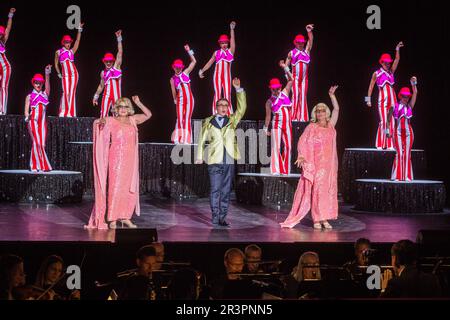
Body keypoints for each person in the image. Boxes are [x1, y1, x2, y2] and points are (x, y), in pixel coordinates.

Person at [85, 96, 152, 229]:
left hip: (131, 159)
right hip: (115, 158)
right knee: (115, 187)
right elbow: (97, 123)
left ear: (129, 109)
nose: (123, 109)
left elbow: (148, 114)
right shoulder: (111, 120)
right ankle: (113, 218)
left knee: (128, 188)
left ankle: (126, 217)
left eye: (126, 106)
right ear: (116, 109)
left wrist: (138, 102)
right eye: (120, 107)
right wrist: (100, 122)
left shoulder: (133, 120)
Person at [280, 86, 340, 229]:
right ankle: (317, 219)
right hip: (316, 165)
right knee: (317, 191)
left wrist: (332, 96)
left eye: (323, 110)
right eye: (318, 111)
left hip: (329, 166)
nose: (320, 113)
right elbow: (302, 142)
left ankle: (325, 218)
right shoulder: (311, 127)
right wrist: (301, 156)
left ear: (327, 113)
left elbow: (337, 110)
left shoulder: (331, 125)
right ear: (315, 113)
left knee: (327, 191)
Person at [196, 78, 246, 227]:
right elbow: (201, 140)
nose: (223, 107)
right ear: (216, 107)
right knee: (215, 190)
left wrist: (238, 90)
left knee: (225, 191)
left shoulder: (232, 119)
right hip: (214, 159)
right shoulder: (208, 121)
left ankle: (222, 218)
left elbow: (242, 108)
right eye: (221, 105)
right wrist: (199, 156)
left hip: (229, 158)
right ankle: (215, 217)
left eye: (226, 105)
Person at [366, 42, 404, 150]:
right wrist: (367, 100)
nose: (388, 64)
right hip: (382, 100)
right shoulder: (376, 73)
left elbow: (397, 60)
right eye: (386, 63)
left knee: (391, 121)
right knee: (384, 121)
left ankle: (390, 144)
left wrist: (397, 49)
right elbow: (370, 87)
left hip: (393, 100)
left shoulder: (391, 72)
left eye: (389, 63)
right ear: (382, 62)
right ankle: (381, 143)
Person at [199, 21, 236, 115]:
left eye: (225, 43)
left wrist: (232, 29)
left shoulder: (230, 52)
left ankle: (229, 113)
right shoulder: (216, 53)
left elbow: (233, 42)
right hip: (217, 76)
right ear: (219, 44)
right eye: (222, 43)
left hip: (227, 76)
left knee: (227, 94)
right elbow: (209, 63)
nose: (224, 44)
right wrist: (202, 70)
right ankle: (215, 112)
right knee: (218, 93)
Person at [264, 61, 294, 175]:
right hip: (276, 124)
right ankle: (275, 169)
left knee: (288, 146)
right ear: (270, 89)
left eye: (277, 88)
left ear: (280, 87)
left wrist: (285, 67)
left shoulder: (285, 92)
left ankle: (285, 169)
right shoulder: (269, 102)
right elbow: (268, 116)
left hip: (287, 124)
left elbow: (291, 80)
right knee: (275, 146)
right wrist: (265, 129)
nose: (276, 91)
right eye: (273, 89)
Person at [387, 77, 418, 181]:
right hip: (398, 132)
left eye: (407, 96)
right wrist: (387, 131)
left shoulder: (410, 106)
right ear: (400, 96)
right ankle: (397, 176)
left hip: (409, 133)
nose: (406, 98)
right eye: (404, 96)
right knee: (399, 153)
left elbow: (415, 93)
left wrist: (413, 83)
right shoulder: (394, 106)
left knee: (407, 154)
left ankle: (407, 176)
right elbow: (388, 118)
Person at [24, 66, 53, 172]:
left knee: (42, 144)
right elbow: (26, 111)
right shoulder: (29, 96)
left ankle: (40, 165)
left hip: (42, 124)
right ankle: (35, 165)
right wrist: (28, 117)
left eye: (40, 83)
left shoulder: (45, 95)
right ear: (33, 83)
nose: (38, 85)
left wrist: (47, 74)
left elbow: (48, 87)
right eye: (36, 82)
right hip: (33, 122)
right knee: (37, 143)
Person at [285, 24, 314, 122]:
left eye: (302, 42)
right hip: (295, 78)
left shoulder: (306, 51)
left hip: (304, 79)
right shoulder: (292, 52)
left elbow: (311, 42)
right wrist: (288, 76)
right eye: (299, 42)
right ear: (295, 43)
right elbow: (286, 65)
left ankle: (302, 118)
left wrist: (309, 32)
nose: (300, 44)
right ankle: (293, 117)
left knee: (303, 96)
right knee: (296, 95)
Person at [54, 22, 83, 117]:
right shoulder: (58, 52)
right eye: (67, 42)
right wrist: (58, 73)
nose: (68, 44)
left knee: (72, 93)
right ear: (63, 42)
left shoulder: (71, 51)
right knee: (66, 92)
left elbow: (77, 42)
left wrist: (79, 30)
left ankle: (71, 113)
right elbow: (56, 63)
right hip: (65, 75)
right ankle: (63, 112)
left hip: (74, 74)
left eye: (69, 42)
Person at [93, 30, 123, 118]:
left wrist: (119, 38)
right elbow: (101, 86)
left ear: (113, 61)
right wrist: (96, 96)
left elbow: (120, 52)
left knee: (117, 117)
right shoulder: (103, 73)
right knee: (103, 116)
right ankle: (102, 132)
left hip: (117, 97)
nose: (108, 63)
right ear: (104, 62)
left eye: (110, 61)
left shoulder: (116, 67)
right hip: (106, 96)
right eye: (107, 61)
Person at [170, 44, 196, 144]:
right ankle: (179, 139)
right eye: (176, 67)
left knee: (187, 119)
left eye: (179, 67)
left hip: (190, 99)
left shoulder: (185, 73)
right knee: (180, 119)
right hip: (180, 100)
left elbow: (194, 61)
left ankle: (187, 140)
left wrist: (189, 50)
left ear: (182, 67)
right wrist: (174, 100)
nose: (178, 69)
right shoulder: (172, 79)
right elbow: (173, 90)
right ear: (173, 67)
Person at [0, 7, 15, 115]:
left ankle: (2, 111)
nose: (0, 35)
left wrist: (10, 14)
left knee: (4, 87)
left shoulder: (2, 42)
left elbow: (8, 28)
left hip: (5, 67)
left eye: (1, 34)